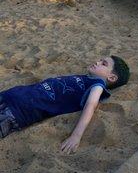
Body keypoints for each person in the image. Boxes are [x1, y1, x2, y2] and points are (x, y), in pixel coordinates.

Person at [0, 55, 130, 153]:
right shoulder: (86, 77)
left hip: (18, 111)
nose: (97, 62)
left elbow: (91, 105)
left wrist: (76, 136)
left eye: (104, 63)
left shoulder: (97, 86)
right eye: (100, 60)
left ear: (112, 78)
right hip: (13, 94)